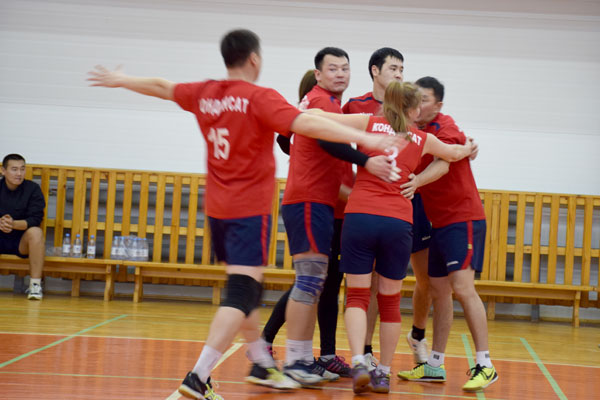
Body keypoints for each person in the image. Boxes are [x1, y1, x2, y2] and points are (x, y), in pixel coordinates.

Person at [88, 29, 402, 400]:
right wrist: (367, 139)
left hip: (218, 210)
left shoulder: (205, 92)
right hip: (248, 211)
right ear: (254, 58)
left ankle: (261, 363)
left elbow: (163, 86)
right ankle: (199, 375)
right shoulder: (258, 97)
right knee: (243, 292)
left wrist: (122, 80)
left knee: (249, 288)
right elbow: (306, 124)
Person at [308, 81, 475, 394]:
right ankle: (383, 372)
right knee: (390, 300)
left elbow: (321, 121)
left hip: (360, 216)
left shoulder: (368, 123)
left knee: (357, 296)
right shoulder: (422, 138)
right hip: (397, 222)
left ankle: (360, 362)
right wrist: (468, 149)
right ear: (413, 109)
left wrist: (304, 110)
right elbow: (453, 154)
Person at [397, 76, 498, 392]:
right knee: (439, 291)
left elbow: (443, 164)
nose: (418, 104)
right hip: (439, 223)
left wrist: (416, 182)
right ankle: (435, 364)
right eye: (416, 99)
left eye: (425, 99)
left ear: (438, 104)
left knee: (463, 288)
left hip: (462, 218)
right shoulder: (414, 131)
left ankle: (485, 364)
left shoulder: (446, 126)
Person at [0, 154, 46, 300]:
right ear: (3, 171)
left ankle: (35, 286)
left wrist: (13, 224)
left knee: (36, 232)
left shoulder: (33, 189)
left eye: (22, 169)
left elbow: (35, 219)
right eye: (14, 169)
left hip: (21, 241)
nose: (19, 173)